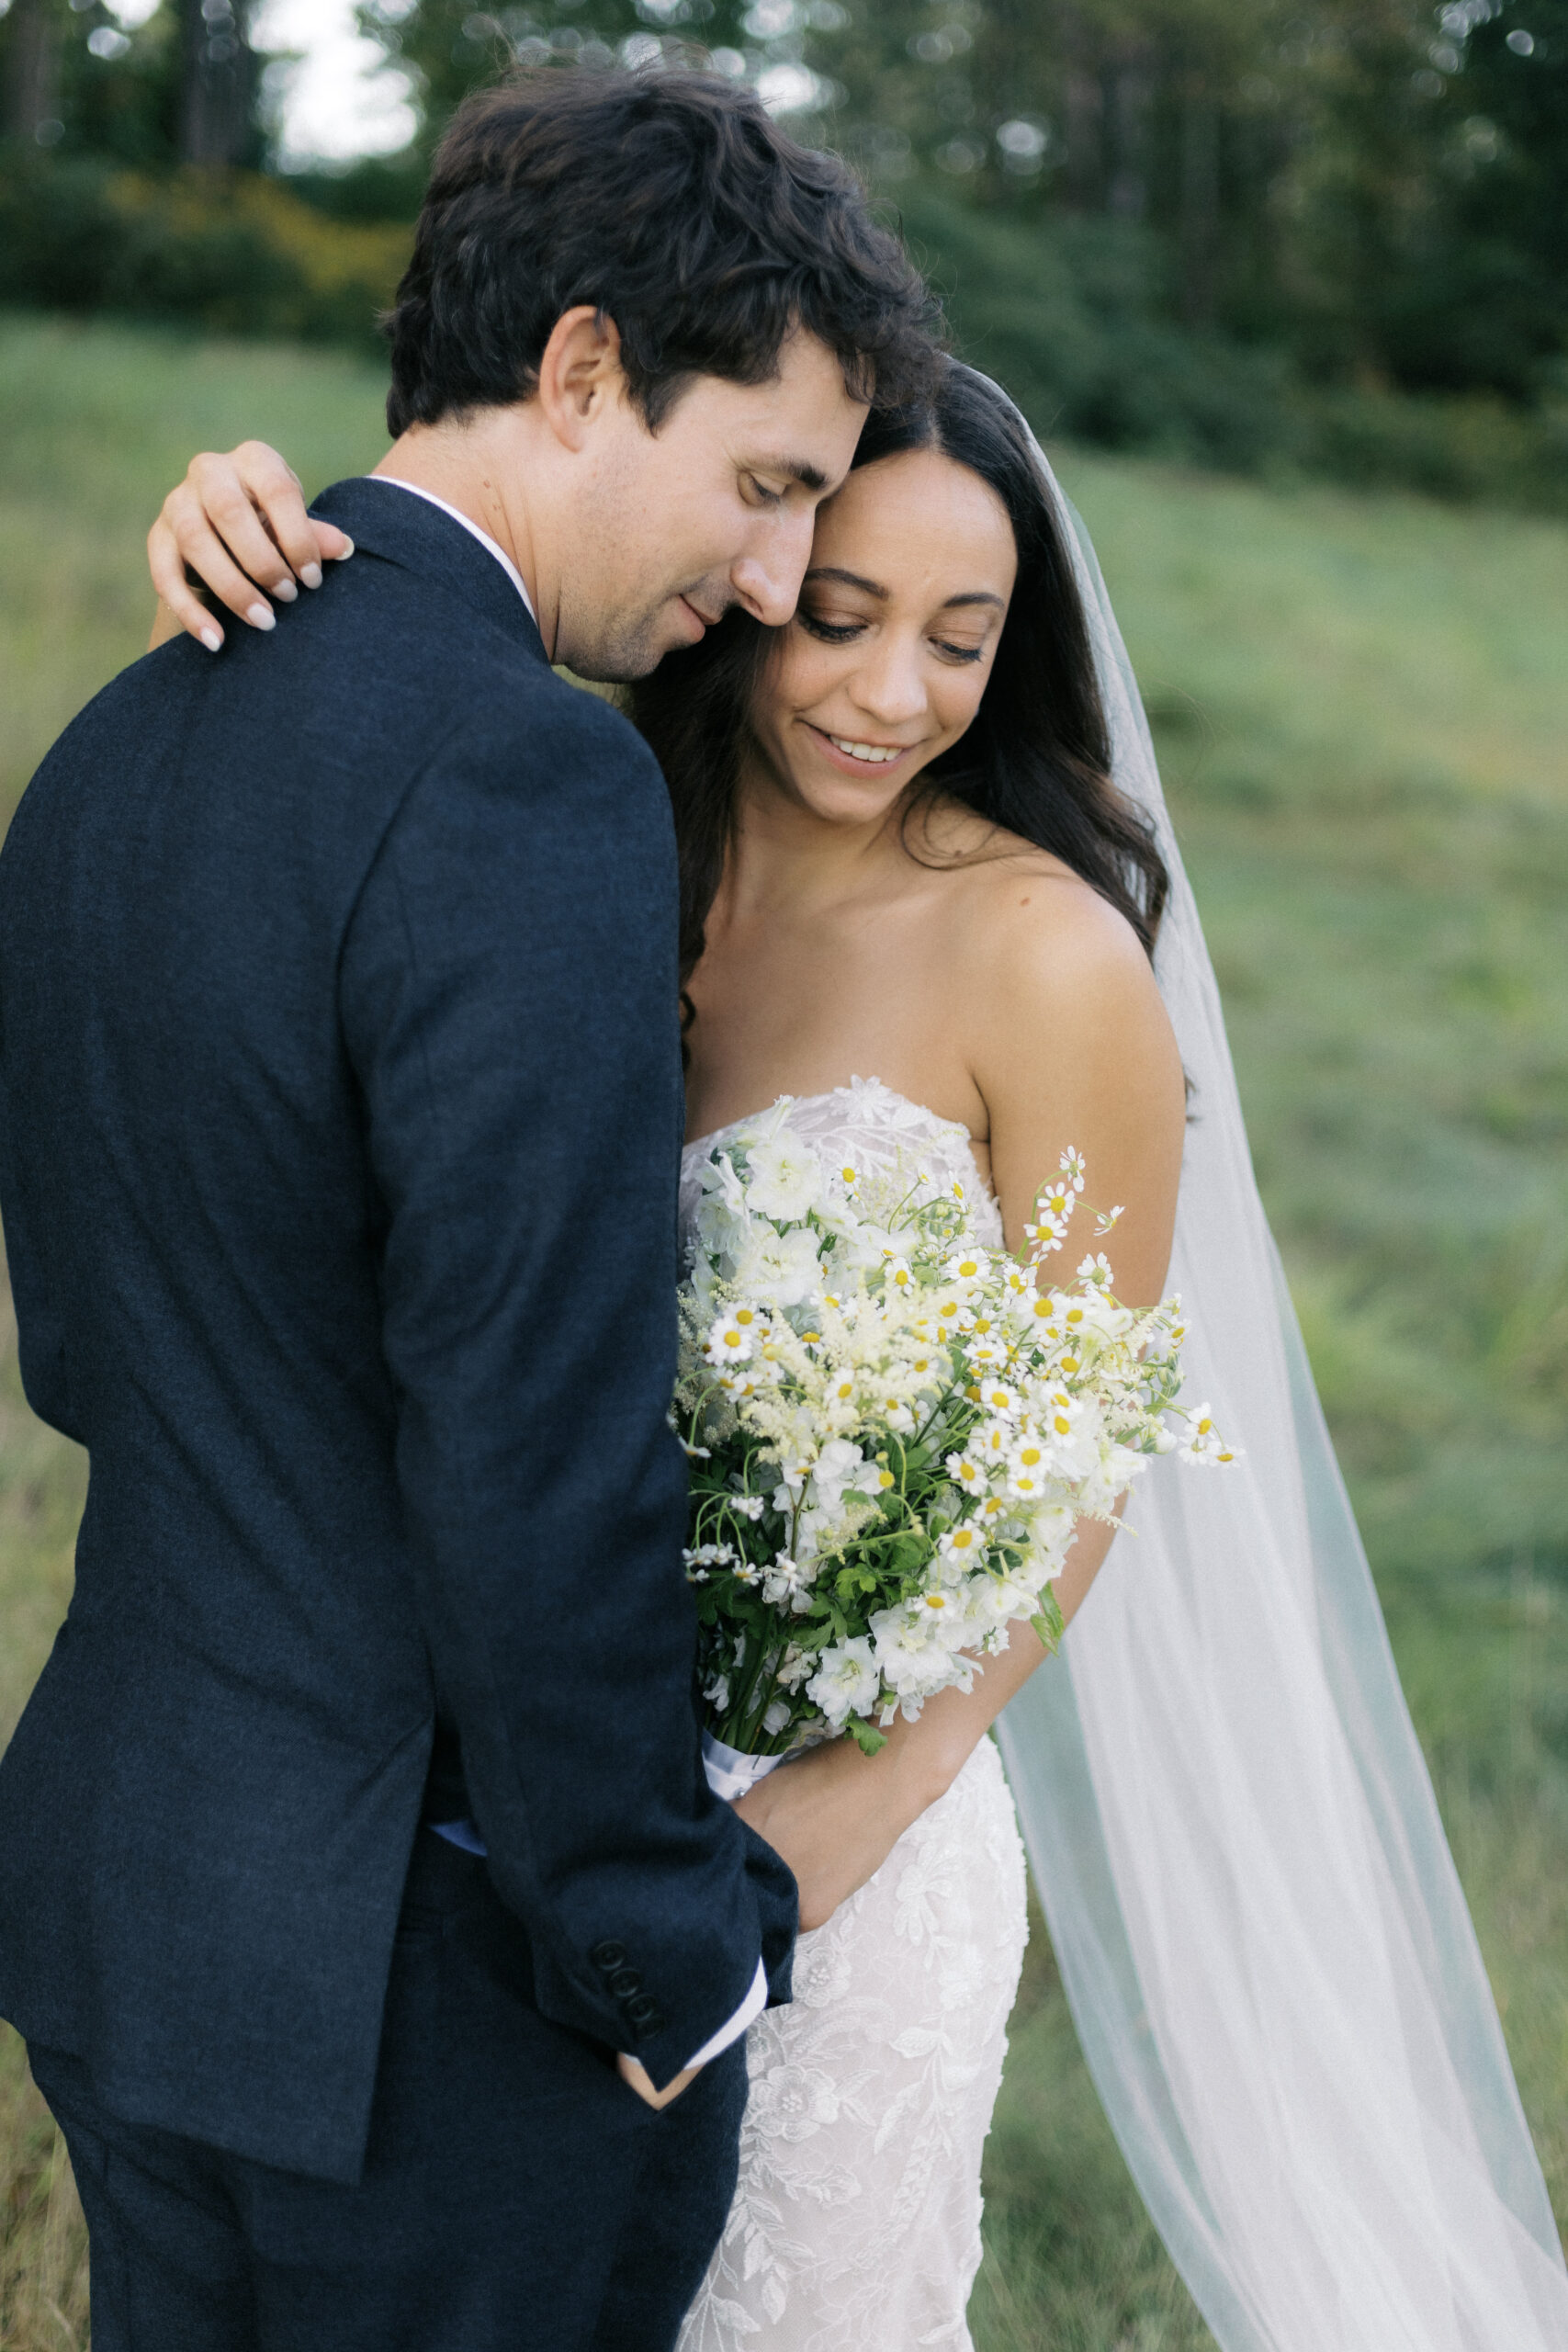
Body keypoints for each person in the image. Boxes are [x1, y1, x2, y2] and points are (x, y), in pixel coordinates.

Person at [152, 345, 1568, 2352]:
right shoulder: (575, 827)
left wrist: (866, 1793)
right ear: (744, 573)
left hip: (841, 1842)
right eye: (837, 614)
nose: (890, 692)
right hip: (514, 1806)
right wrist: (231, 518)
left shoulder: (1041, 954)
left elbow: (1075, 1444)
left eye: (961, 638)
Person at [0, 66, 939, 2352]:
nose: (761, 579)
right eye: (760, 485)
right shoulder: (520, 773)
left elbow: (82, 1349)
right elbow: (535, 1439)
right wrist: (655, 1946)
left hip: (125, 1885)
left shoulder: (121, 731)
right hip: (423, 1998)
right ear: (583, 366)